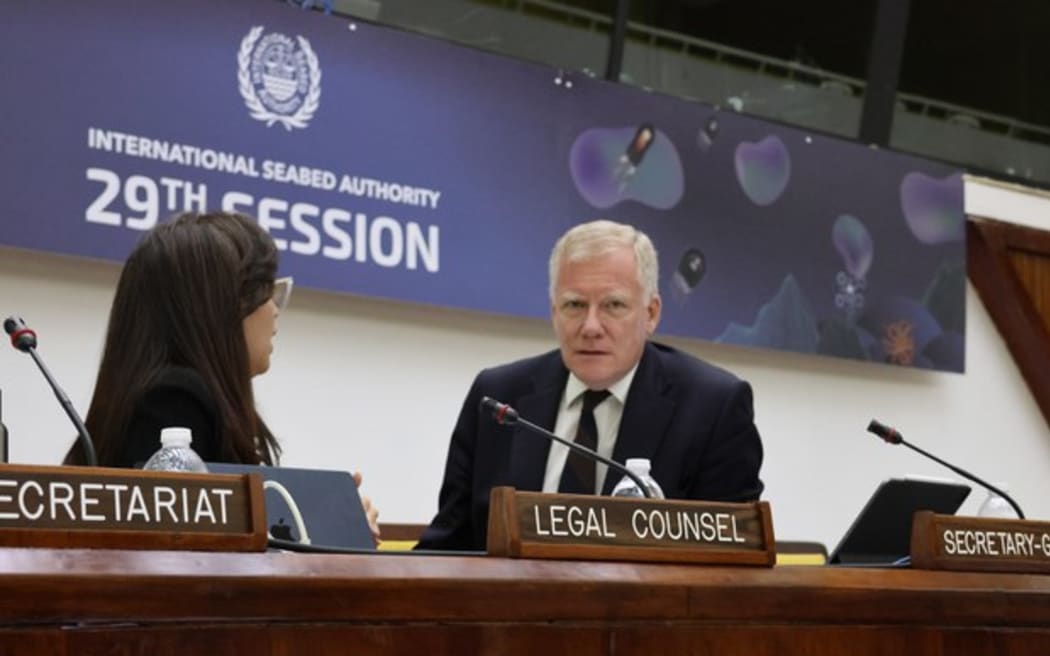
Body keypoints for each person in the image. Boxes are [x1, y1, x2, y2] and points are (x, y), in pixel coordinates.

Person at [418, 219, 764, 551]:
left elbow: (730, 571)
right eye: (574, 305)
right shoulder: (500, 399)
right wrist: (365, 548)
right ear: (554, 311)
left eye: (614, 305)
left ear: (652, 313)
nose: (591, 326)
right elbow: (449, 546)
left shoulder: (713, 408)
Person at [64, 211, 379, 537]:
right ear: (221, 306)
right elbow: (201, 552)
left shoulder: (169, 395)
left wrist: (340, 527)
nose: (274, 309)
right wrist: (334, 532)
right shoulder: (173, 402)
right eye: (267, 291)